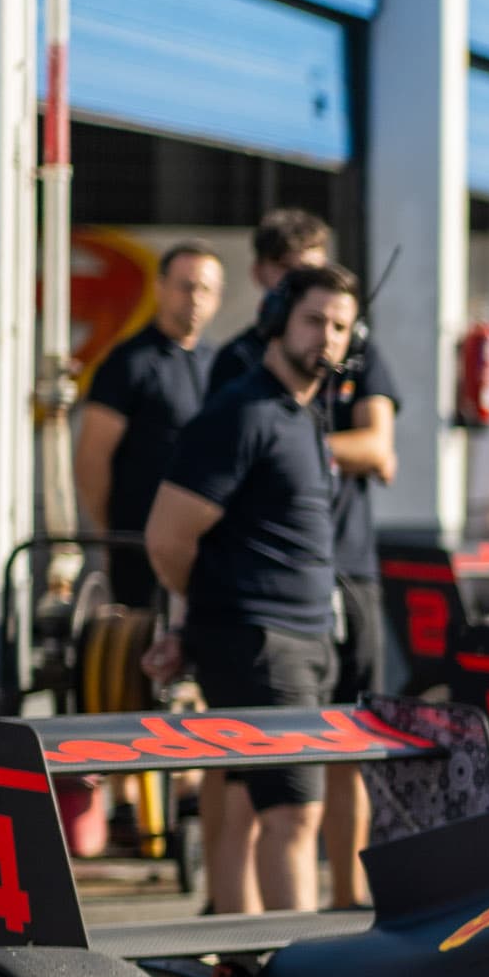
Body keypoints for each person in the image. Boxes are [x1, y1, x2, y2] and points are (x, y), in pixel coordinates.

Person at [150, 263, 357, 917]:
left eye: (341, 326)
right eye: (313, 320)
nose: (327, 336)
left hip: (304, 638)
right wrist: (212, 614)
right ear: (276, 321)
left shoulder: (304, 415)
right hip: (265, 644)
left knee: (245, 804)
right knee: (295, 817)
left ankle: (237, 958)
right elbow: (167, 537)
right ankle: (300, 971)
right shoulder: (241, 412)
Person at [211, 209, 397, 905]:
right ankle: (233, 923)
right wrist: (287, 450)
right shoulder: (238, 363)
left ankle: (351, 903)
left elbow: (380, 449)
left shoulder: (359, 350)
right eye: (299, 281)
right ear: (266, 281)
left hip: (351, 570)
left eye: (336, 312)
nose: (325, 323)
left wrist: (292, 449)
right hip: (267, 597)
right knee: (246, 773)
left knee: (353, 746)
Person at [76, 243, 222, 564]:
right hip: (138, 543)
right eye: (186, 287)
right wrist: (110, 534)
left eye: (206, 289)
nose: (195, 298)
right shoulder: (129, 362)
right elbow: (91, 459)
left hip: (203, 546)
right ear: (160, 288)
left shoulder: (221, 364)